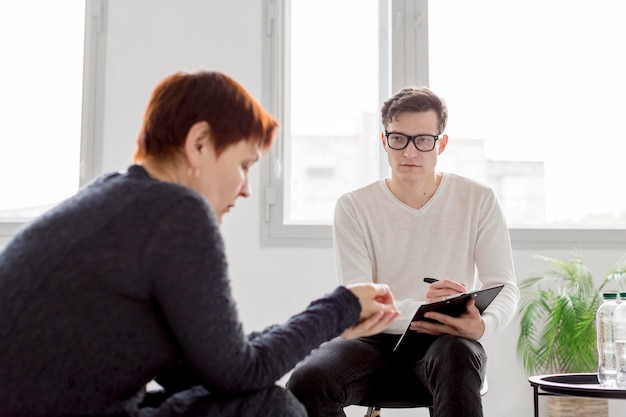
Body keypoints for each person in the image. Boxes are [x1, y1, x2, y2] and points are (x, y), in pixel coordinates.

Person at [0, 70, 400, 417]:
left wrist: (334, 319)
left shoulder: (117, 201)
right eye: (244, 165)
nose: (246, 189)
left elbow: (212, 367)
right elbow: (241, 371)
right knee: (271, 409)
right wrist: (340, 307)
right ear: (200, 143)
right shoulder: (177, 211)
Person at [286, 86, 520, 417]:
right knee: (307, 380)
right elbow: (360, 302)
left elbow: (506, 286)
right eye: (399, 139)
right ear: (384, 141)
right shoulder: (354, 207)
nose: (410, 152)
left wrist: (482, 326)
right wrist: (424, 308)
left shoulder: (478, 199)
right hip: (372, 341)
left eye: (424, 140)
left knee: (456, 354)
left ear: (442, 143)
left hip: (448, 342)